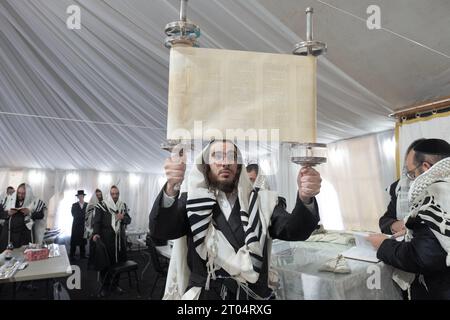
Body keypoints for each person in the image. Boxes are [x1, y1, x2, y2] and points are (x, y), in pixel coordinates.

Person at [149, 139, 322, 300]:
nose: (225, 162)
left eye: (232, 156)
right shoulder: (191, 202)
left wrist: (305, 198)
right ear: (206, 165)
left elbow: (294, 230)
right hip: (208, 295)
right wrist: (171, 187)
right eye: (217, 156)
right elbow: (163, 230)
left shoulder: (262, 202)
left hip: (252, 297)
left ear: (239, 166)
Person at [368, 138, 450, 299]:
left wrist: (383, 245)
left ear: (426, 167)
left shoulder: (433, 196)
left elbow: (423, 257)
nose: (411, 179)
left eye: (412, 173)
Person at [379, 139, 425, 235]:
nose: (414, 178)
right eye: (410, 173)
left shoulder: (441, 188)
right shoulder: (398, 188)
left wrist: (411, 229)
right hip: (402, 244)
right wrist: (396, 225)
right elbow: (384, 220)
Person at [92, 186, 131, 295]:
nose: (115, 196)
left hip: (119, 241)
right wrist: (95, 233)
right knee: (105, 263)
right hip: (106, 240)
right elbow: (97, 222)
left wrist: (122, 218)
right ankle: (105, 286)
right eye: (113, 194)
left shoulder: (122, 205)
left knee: (118, 264)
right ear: (109, 194)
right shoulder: (101, 206)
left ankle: (115, 285)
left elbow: (128, 220)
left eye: (117, 193)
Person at [0, 183, 47, 250]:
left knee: (24, 256)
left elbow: (41, 215)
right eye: (19, 193)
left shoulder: (34, 201)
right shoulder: (9, 200)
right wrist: (8, 213)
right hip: (9, 233)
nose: (20, 195)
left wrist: (29, 213)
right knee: (7, 255)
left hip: (24, 234)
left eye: (23, 193)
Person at [70, 190, 88, 260]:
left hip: (84, 225)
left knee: (83, 241)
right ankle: (72, 255)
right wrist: (83, 216)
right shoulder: (74, 205)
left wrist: (83, 216)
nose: (80, 197)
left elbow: (88, 214)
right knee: (74, 241)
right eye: (79, 196)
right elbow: (74, 214)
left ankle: (83, 255)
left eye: (81, 196)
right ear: (78, 197)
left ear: (83, 196)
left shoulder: (87, 205)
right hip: (76, 226)